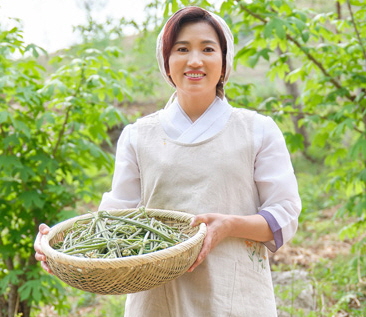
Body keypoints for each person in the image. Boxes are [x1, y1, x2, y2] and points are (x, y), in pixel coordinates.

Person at [34, 6, 301, 317]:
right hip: (156, 298)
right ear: (167, 61)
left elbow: (284, 214)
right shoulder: (138, 135)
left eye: (208, 49)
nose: (195, 60)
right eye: (182, 49)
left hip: (233, 295)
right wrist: (61, 248)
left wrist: (228, 226)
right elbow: (114, 219)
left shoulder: (257, 130)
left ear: (224, 61)